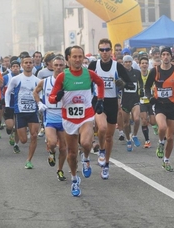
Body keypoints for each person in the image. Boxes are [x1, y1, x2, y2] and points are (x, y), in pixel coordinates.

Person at [49, 45, 104, 197]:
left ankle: (86, 158)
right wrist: (57, 97)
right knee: (72, 154)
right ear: (68, 59)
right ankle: (74, 179)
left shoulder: (89, 74)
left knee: (86, 143)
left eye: (80, 56)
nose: (78, 59)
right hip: (69, 119)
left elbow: (100, 83)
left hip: (86, 115)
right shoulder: (63, 76)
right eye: (75, 57)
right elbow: (51, 97)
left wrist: (100, 99)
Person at [88, 38, 135, 179]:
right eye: (102, 50)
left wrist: (123, 84)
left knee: (109, 136)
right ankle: (101, 151)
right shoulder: (93, 65)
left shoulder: (117, 66)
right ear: (98, 51)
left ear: (111, 51)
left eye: (107, 49)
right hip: (98, 101)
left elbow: (131, 84)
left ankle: (106, 164)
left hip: (112, 102)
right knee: (101, 128)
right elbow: (84, 80)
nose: (104, 52)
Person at [144, 47, 174, 171]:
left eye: (167, 54)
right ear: (160, 56)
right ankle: (160, 142)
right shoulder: (155, 71)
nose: (165, 57)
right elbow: (147, 86)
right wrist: (149, 97)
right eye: (163, 54)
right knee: (162, 127)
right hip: (159, 104)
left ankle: (166, 160)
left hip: (172, 105)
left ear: (170, 56)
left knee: (170, 137)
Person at [33, 56, 68, 181]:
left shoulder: (68, 81)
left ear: (64, 66)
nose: (58, 67)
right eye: (56, 65)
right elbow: (35, 92)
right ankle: (52, 151)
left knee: (64, 148)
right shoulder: (45, 81)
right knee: (52, 142)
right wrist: (39, 103)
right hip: (50, 116)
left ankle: (60, 170)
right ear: (52, 66)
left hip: (64, 117)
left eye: (61, 65)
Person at [4, 56, 40, 168]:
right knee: (24, 140)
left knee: (34, 136)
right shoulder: (16, 79)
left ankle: (29, 160)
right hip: (20, 112)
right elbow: (8, 92)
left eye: (30, 63)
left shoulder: (37, 81)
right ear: (22, 65)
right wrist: (7, 105)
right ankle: (16, 135)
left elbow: (42, 94)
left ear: (33, 65)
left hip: (33, 111)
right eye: (26, 63)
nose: (28, 64)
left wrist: (41, 104)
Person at [121, 55, 143, 151]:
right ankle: (128, 139)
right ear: (123, 63)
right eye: (126, 62)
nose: (128, 63)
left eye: (129, 62)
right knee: (126, 124)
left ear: (132, 62)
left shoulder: (137, 72)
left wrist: (141, 89)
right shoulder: (121, 73)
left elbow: (141, 82)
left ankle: (134, 135)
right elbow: (117, 84)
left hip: (135, 99)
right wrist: (123, 84)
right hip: (125, 100)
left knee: (137, 119)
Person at [139, 56, 158, 149]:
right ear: (139, 65)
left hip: (151, 100)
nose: (144, 65)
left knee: (153, 121)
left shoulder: (151, 74)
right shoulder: (138, 75)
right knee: (144, 121)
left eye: (146, 63)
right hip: (141, 101)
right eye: (142, 63)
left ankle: (155, 128)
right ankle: (147, 140)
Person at [2, 60, 21, 152]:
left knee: (18, 126)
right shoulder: (6, 77)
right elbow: (0, 88)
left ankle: (16, 144)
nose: (15, 68)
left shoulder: (23, 77)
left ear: (20, 68)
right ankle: (10, 133)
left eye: (17, 66)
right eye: (13, 66)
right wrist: (2, 99)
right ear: (10, 68)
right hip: (9, 104)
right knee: (10, 126)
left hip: (19, 105)